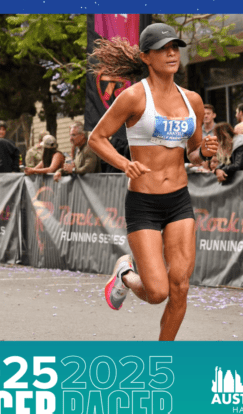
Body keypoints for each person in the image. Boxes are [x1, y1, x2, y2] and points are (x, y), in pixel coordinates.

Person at [87, 23, 218, 341]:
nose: (172, 53)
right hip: (144, 202)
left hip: (179, 200)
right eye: (162, 48)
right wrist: (124, 163)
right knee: (157, 291)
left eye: (175, 47)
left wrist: (204, 151)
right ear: (146, 57)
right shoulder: (133, 97)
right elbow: (97, 138)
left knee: (180, 286)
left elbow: (194, 154)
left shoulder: (193, 101)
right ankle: (125, 273)